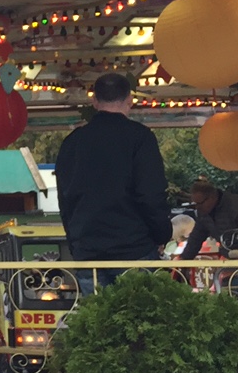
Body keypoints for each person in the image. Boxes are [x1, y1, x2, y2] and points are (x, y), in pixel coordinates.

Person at [55, 72, 172, 292]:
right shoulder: (140, 138)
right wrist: (161, 235)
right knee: (140, 321)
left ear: (94, 101)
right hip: (134, 248)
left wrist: (76, 243)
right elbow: (151, 194)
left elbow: (65, 200)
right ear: (130, 100)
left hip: (88, 251)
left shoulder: (72, 143)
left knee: (97, 322)